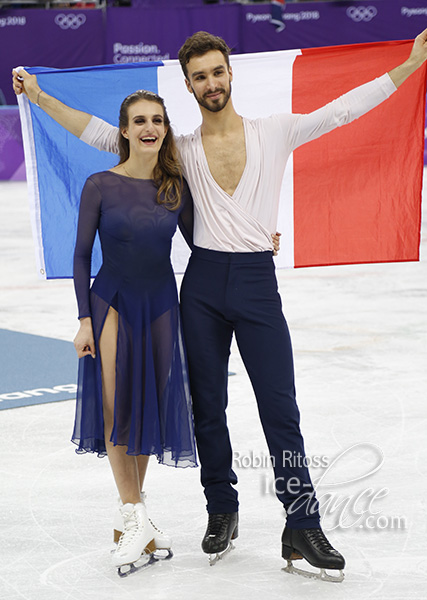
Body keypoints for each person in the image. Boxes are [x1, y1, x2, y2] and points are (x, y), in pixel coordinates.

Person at [12, 27, 427, 579]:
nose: (211, 83)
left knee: (281, 408)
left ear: (231, 74)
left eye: (217, 72)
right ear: (189, 85)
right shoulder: (176, 150)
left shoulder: (274, 131)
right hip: (201, 287)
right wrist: (39, 97)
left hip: (257, 282)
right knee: (208, 408)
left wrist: (410, 64)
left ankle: (302, 523)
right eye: (200, 76)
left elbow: (342, 111)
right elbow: (101, 135)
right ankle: (221, 510)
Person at [71, 89, 198, 574]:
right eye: (139, 120)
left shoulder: (175, 186)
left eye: (158, 120)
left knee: (147, 408)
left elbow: (204, 241)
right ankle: (135, 512)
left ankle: (133, 518)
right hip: (112, 302)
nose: (150, 127)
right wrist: (84, 318)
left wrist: (257, 240)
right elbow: (82, 256)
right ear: (123, 131)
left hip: (163, 304)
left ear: (165, 129)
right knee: (115, 405)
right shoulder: (100, 184)